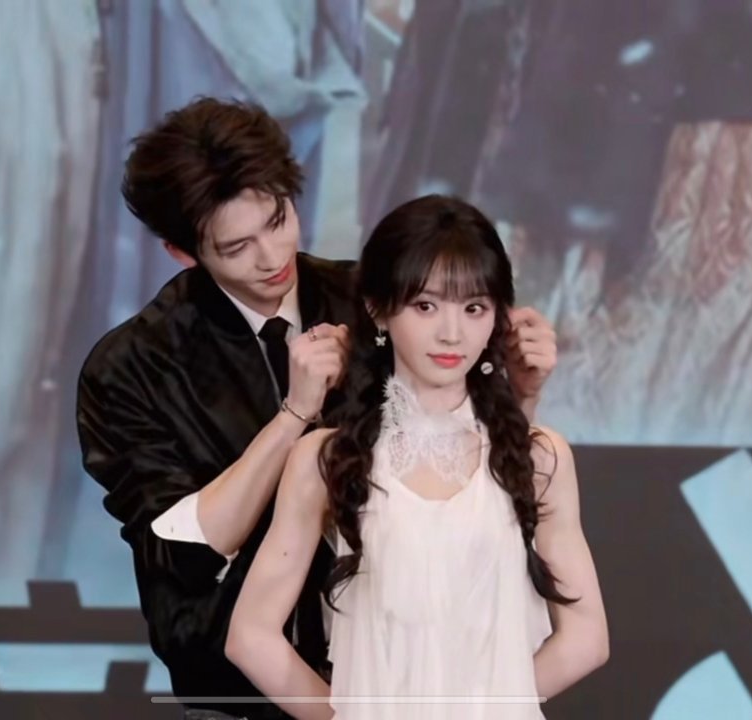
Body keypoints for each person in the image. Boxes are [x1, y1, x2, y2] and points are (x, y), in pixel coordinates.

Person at [76, 98, 558, 720]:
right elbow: (185, 553)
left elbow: (465, 474)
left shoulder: (375, 301)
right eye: (237, 246)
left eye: (278, 220)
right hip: (239, 696)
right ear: (182, 251)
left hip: (396, 680)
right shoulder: (132, 367)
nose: (271, 256)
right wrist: (293, 416)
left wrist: (521, 393)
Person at [226, 195, 607, 719]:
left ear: (498, 316)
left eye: (474, 308)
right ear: (377, 307)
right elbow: (251, 636)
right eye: (426, 306)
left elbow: (587, 637)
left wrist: (485, 704)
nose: (452, 332)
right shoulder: (327, 458)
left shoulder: (540, 457)